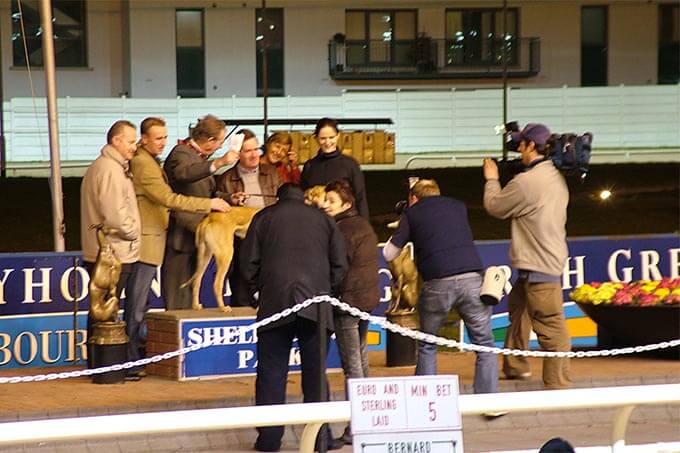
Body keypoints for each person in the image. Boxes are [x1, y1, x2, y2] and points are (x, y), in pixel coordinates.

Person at [240, 183, 347, 452]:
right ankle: (320, 439)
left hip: (275, 302)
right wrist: (326, 291)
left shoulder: (263, 218)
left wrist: (258, 293)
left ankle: (269, 440)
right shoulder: (323, 220)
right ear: (303, 197)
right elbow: (340, 265)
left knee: (271, 374)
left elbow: (247, 264)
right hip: (316, 305)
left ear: (278, 197)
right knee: (315, 375)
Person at [126, 117, 230, 378]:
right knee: (155, 302)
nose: (164, 142)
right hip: (172, 238)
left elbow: (200, 190)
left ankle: (179, 360)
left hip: (188, 236)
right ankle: (138, 359)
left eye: (164, 136)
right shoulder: (175, 155)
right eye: (158, 137)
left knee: (177, 300)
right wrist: (216, 166)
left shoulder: (156, 159)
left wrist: (224, 199)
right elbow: (174, 189)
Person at [383, 179, 498, 394]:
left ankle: (424, 399)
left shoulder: (412, 213)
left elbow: (389, 253)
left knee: (428, 344)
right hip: (472, 278)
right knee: (484, 345)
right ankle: (488, 401)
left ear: (413, 198)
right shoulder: (458, 206)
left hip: (437, 283)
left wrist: (404, 224)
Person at [483, 122, 572, 389]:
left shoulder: (527, 182)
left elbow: (495, 206)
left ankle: (559, 383)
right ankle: (516, 366)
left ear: (531, 146)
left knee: (550, 325)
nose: (518, 148)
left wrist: (491, 179)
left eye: (521, 144)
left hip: (540, 264)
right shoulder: (553, 175)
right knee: (519, 312)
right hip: (539, 261)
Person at [162, 114, 240, 310]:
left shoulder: (200, 159)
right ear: (210, 140)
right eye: (220, 141)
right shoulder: (180, 153)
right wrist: (220, 162)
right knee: (176, 297)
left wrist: (231, 198)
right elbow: (184, 174)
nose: (221, 146)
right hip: (181, 236)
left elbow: (209, 193)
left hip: (199, 235)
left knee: (191, 297)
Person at [80, 120, 141, 373]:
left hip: (105, 250)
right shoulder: (110, 170)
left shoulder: (105, 167)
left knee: (100, 308)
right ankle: (105, 366)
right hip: (113, 252)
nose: (134, 146)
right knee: (106, 310)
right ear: (116, 141)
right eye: (130, 141)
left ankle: (100, 365)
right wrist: (134, 232)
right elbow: (115, 215)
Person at [323, 180, 379, 446]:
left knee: (352, 366)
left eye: (331, 201)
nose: (325, 204)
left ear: (346, 205)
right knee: (362, 360)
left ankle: (356, 426)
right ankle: (369, 418)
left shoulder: (341, 230)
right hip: (366, 299)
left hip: (348, 302)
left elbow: (338, 268)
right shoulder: (362, 224)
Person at [301, 118, 369, 218]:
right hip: (316, 221)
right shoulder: (310, 166)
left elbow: (360, 197)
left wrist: (365, 225)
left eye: (331, 137)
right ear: (316, 138)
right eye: (323, 138)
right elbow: (304, 197)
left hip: (344, 221)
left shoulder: (350, 164)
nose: (327, 142)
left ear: (338, 136)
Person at [216, 129, 280, 209]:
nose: (254, 155)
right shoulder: (226, 179)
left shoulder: (272, 173)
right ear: (237, 154)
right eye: (248, 151)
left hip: (270, 220)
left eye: (256, 149)